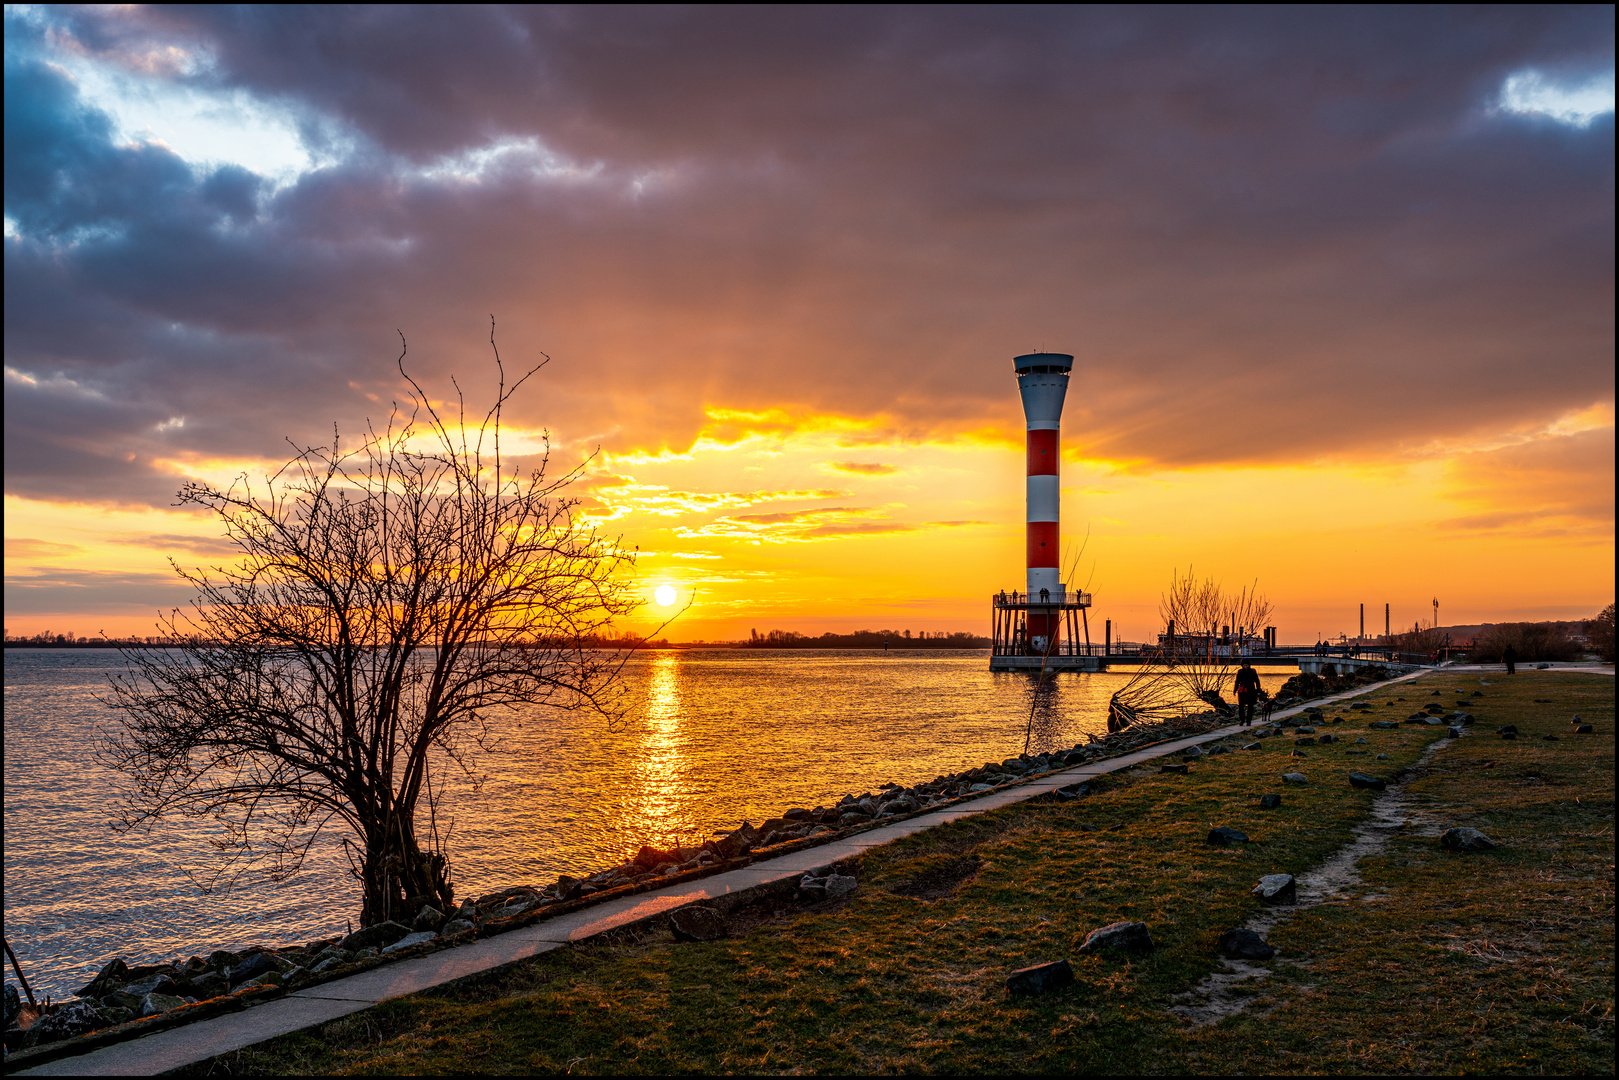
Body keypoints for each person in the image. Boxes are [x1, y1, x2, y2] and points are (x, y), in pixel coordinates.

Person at [1234, 659, 1262, 726]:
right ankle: (1242, 720)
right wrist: (1235, 689)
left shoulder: (1253, 671)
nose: (1245, 666)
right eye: (1244, 665)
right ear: (1242, 666)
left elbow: (1257, 681)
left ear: (1249, 665)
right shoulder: (1240, 672)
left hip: (1251, 690)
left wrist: (1258, 689)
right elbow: (1237, 681)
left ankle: (1249, 721)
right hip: (1242, 691)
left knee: (1250, 707)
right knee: (1241, 706)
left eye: (1247, 665)